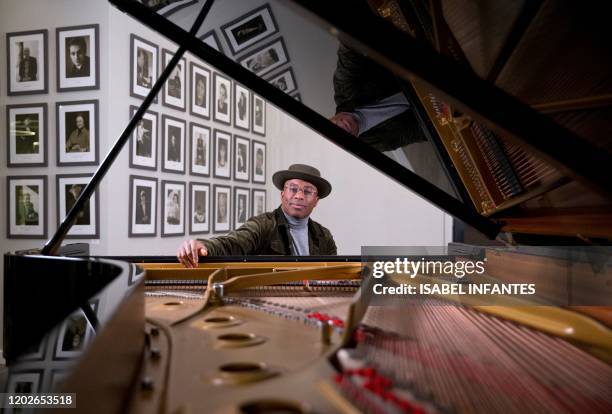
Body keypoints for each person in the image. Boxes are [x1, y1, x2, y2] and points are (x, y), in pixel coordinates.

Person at [177, 164, 337, 267]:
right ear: (283, 195)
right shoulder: (263, 225)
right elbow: (232, 244)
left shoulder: (324, 236)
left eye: (308, 191)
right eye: (293, 188)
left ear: (316, 201)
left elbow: (332, 275)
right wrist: (204, 246)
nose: (299, 196)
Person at [329, 43, 425, 151]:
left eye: (332, 131)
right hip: (428, 100)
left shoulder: (344, 88)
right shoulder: (375, 143)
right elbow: (417, 132)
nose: (342, 130)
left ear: (328, 120)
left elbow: (348, 49)